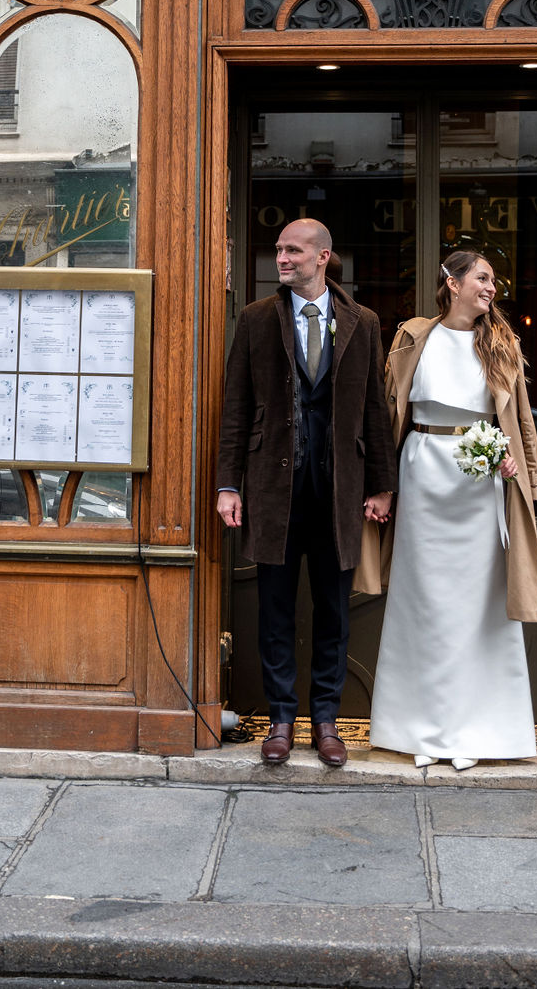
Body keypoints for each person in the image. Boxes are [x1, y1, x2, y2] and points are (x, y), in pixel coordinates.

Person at [216, 218, 396, 768]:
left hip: (338, 492)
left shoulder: (362, 322)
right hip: (273, 489)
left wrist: (381, 486)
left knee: (334, 614)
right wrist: (229, 484)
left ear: (323, 256)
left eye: (293, 250)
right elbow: (236, 408)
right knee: (274, 610)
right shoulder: (255, 320)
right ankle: (280, 720)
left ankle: (325, 720)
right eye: (278, 250)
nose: (282, 258)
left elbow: (375, 409)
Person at [370, 250, 537, 771]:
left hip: (482, 484)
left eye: (493, 281)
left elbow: (522, 418)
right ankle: (422, 730)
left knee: (478, 611)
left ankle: (478, 732)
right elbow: (388, 409)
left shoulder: (502, 344)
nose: (492, 288)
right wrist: (381, 484)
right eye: (483, 278)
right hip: (422, 475)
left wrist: (525, 469)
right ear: (452, 282)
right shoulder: (412, 335)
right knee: (424, 606)